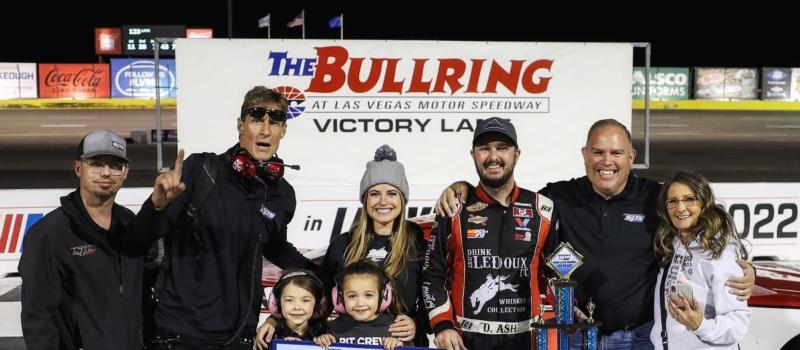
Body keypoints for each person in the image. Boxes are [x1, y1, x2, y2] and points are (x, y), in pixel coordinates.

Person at [436, 118, 755, 350]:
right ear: (585, 154)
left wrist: (744, 263)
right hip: (574, 337)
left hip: (639, 338)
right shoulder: (558, 197)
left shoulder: (655, 198)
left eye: (616, 153)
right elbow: (507, 198)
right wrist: (463, 188)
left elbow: (706, 220)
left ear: (631, 156)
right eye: (598, 152)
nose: (606, 162)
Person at [133, 86, 317, 349]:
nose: (265, 129)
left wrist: (325, 273)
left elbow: (275, 247)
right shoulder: (200, 171)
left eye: (275, 121)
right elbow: (141, 239)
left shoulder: (282, 194)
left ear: (283, 131)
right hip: (181, 335)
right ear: (240, 125)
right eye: (256, 119)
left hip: (240, 337)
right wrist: (157, 206)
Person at [256, 145, 422, 346]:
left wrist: (416, 323)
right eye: (375, 193)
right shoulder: (343, 244)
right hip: (346, 341)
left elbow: (435, 293)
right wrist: (277, 319)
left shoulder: (418, 242)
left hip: (400, 342)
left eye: (392, 193)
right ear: (365, 199)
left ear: (403, 199)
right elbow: (318, 297)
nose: (383, 201)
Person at [422, 117, 557, 350]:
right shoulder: (453, 208)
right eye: (484, 148)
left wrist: (569, 311)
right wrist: (442, 325)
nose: (493, 156)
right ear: (473, 155)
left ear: (517, 154)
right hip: (466, 342)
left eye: (502, 148)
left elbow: (555, 275)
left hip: (527, 341)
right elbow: (431, 274)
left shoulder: (543, 209)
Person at [19, 129, 143, 350]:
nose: (106, 173)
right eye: (96, 163)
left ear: (125, 172)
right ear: (78, 168)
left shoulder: (129, 224)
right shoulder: (49, 234)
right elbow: (37, 317)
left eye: (115, 165)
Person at [650, 170, 750, 349]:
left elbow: (737, 323)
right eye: (673, 201)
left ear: (704, 203)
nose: (680, 208)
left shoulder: (720, 253)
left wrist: (700, 326)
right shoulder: (670, 245)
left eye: (689, 199)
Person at [314, 261, 405, 350]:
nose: (360, 303)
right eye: (352, 296)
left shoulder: (396, 328)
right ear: (339, 297)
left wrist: (399, 346)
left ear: (383, 296)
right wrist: (321, 341)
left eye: (368, 295)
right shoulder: (330, 328)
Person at [255, 269, 329, 349]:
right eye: (289, 300)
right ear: (276, 303)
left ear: (318, 304)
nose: (297, 307)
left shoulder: (326, 333)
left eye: (305, 300)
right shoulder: (268, 336)